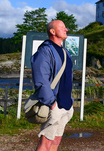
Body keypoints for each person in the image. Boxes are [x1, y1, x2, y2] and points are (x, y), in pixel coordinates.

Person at [31, 20, 74, 151]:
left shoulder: (65, 52)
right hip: (54, 104)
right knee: (46, 143)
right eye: (62, 27)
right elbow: (40, 79)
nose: (66, 29)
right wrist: (52, 103)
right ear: (53, 31)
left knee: (56, 140)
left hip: (66, 104)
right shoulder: (44, 51)